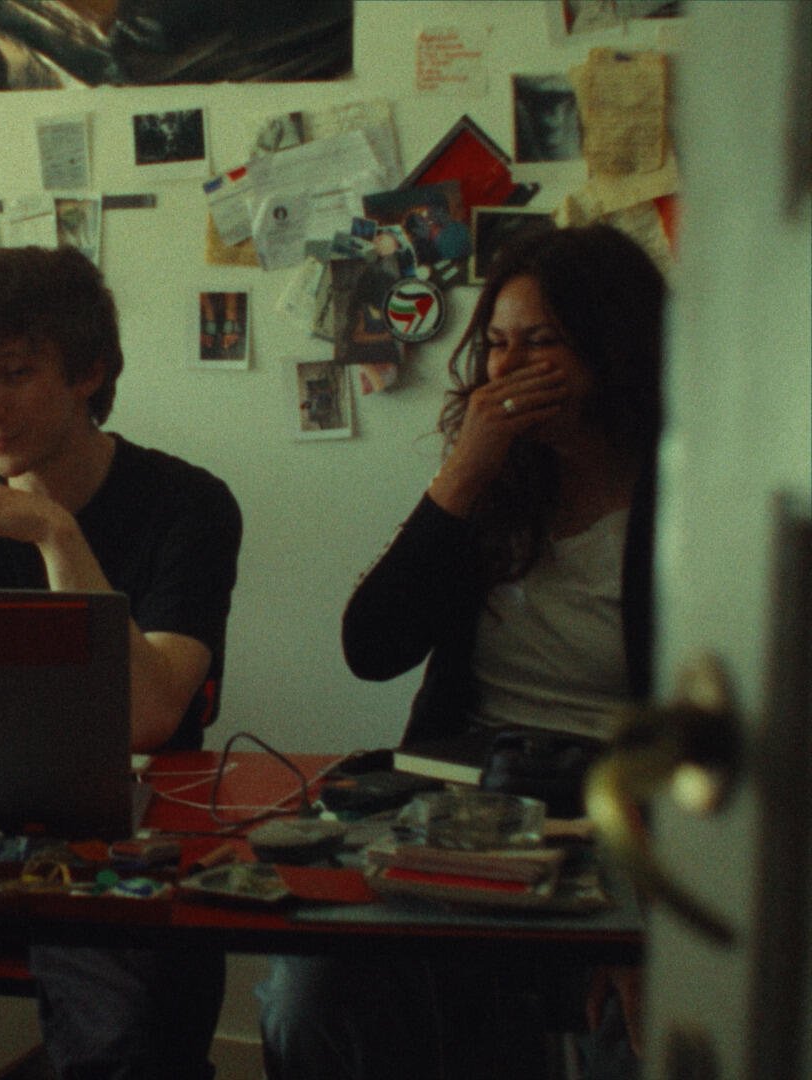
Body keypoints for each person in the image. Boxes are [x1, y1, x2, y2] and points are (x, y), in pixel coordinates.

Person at [259, 224, 665, 1079]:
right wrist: (464, 473)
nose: (507, 370)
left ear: (613, 350)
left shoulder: (689, 494)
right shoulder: (496, 485)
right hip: (467, 796)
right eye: (496, 345)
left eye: (540, 342)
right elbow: (371, 647)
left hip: (626, 813)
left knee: (639, 1036)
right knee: (307, 996)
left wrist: (640, 927)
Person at [0, 245, 242, 1077]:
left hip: (116, 856)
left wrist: (54, 532)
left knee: (121, 1035)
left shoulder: (189, 506)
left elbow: (146, 717)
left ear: (89, 373)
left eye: (15, 373)